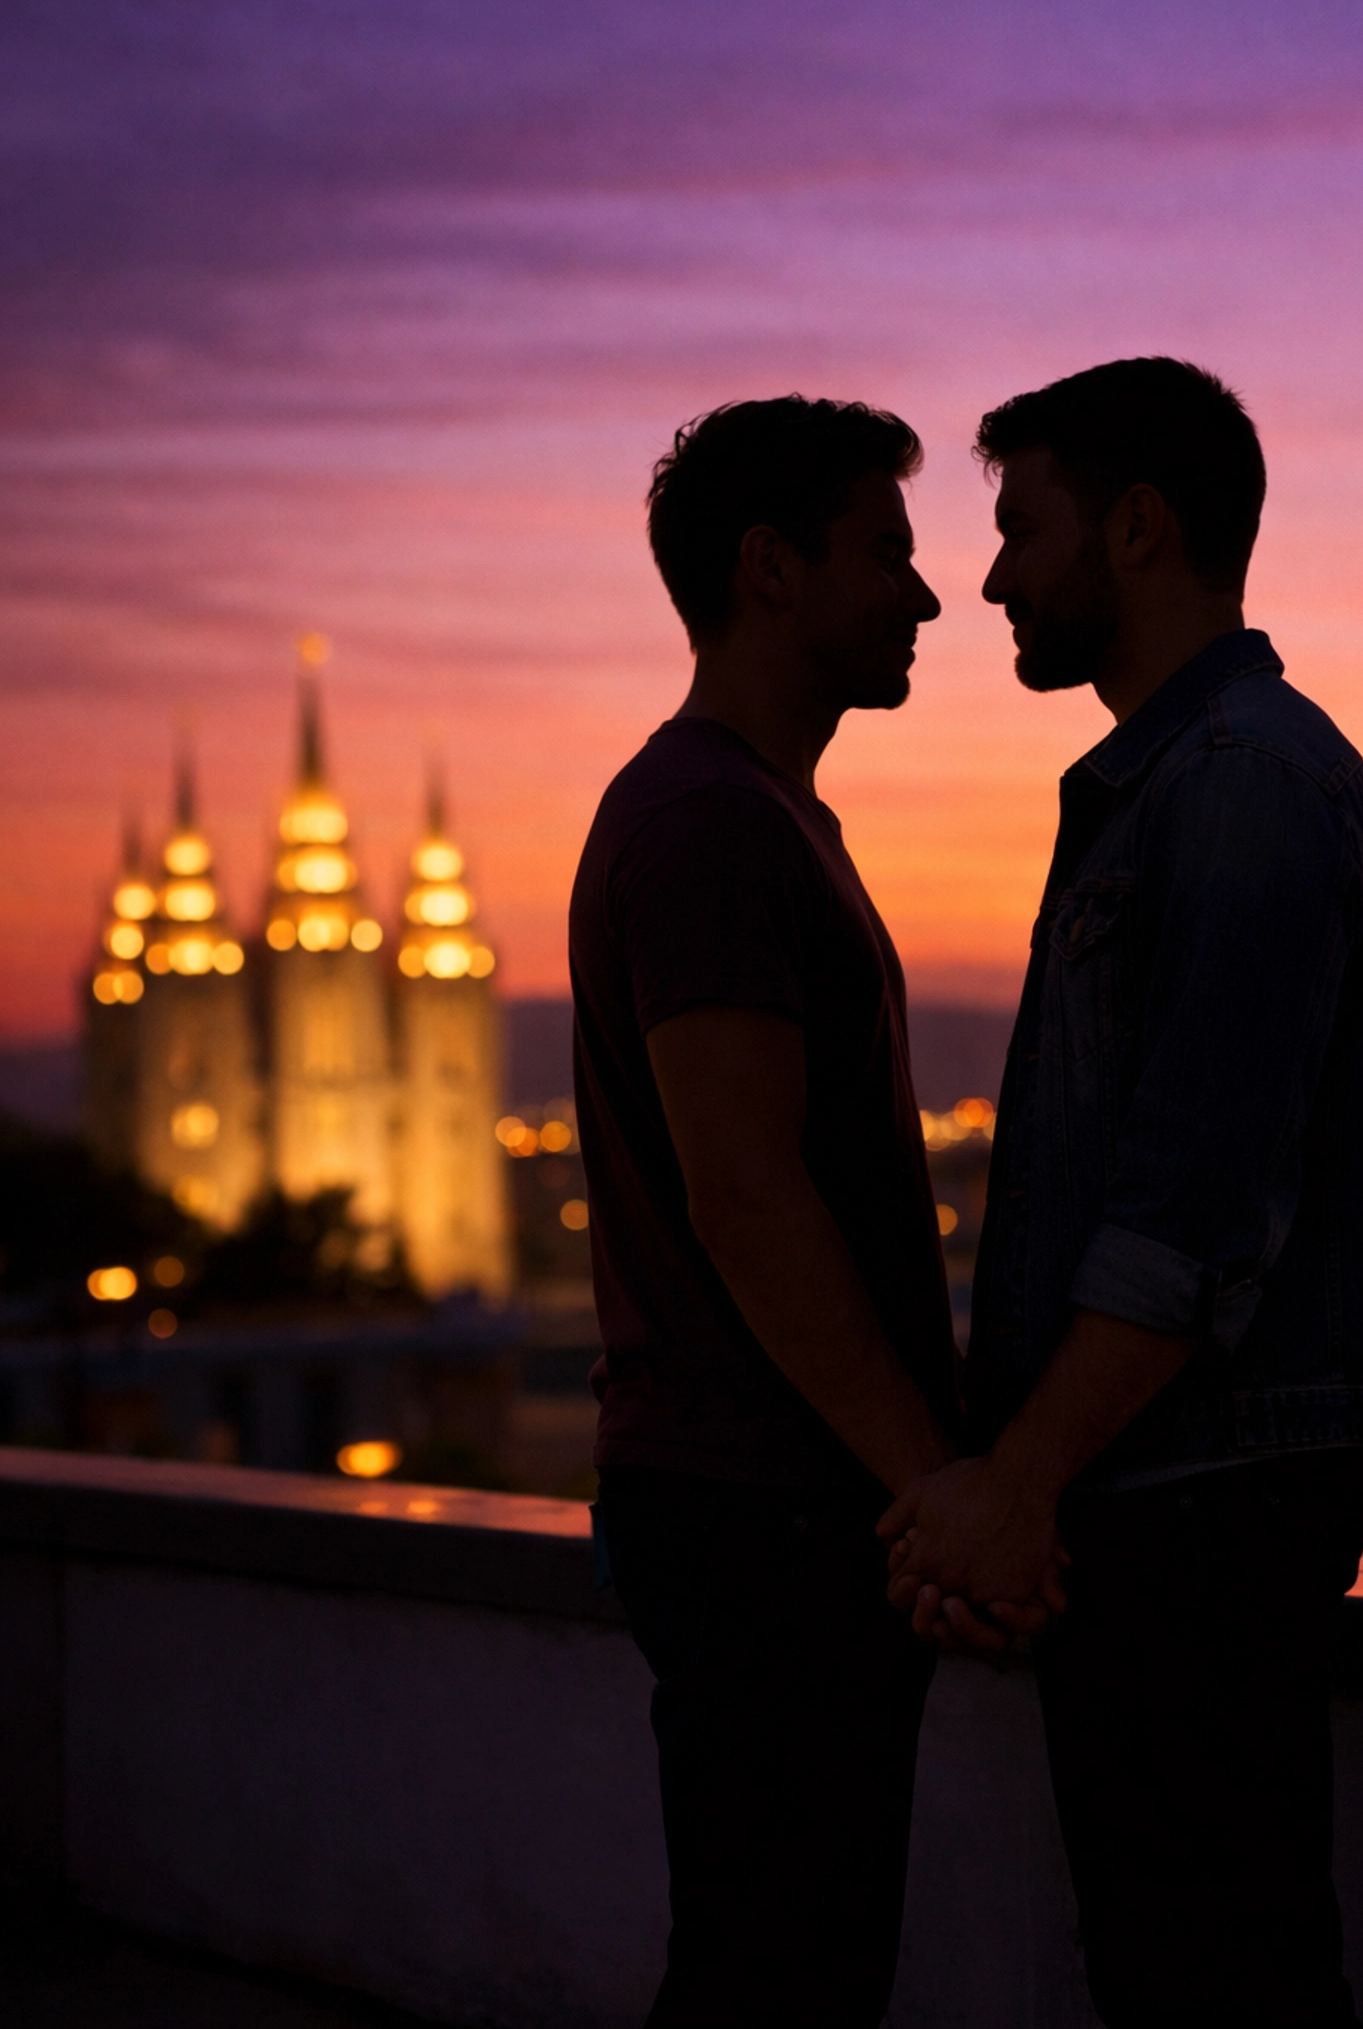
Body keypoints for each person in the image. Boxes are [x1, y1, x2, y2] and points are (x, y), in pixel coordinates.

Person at [881, 357, 1363, 2029]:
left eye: (1019, 529)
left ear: (1136, 527)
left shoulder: (1240, 787)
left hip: (1202, 1491)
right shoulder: (1171, 784)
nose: (988, 580)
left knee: (1217, 1974)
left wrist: (1016, 1481)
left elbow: (1189, 1212)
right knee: (1184, 1960)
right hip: (1166, 1487)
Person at [570, 395, 991, 2029]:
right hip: (765, 1514)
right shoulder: (711, 827)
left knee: (788, 1964)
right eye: (888, 552)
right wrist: (934, 1483)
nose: (930, 595)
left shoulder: (755, 819)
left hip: (776, 1507)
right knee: (775, 1977)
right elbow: (745, 1190)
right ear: (772, 570)